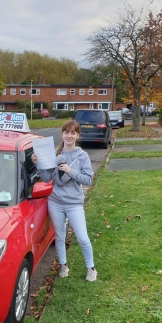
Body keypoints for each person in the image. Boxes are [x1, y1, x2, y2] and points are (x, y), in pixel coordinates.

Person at [31, 119, 97, 281]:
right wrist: (38, 163)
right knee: (59, 237)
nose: (69, 136)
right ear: (62, 134)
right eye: (66, 132)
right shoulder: (55, 154)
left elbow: (87, 179)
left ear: (77, 135)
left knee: (82, 237)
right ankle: (63, 265)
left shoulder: (82, 156)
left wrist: (70, 171)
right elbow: (47, 178)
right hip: (55, 202)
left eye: (73, 133)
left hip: (74, 203)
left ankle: (91, 268)